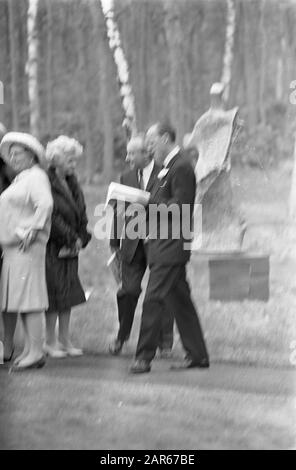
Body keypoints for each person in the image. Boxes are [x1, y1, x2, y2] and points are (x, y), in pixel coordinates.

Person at [130, 122, 209, 374]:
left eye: (152, 141)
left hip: (171, 247)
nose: (149, 146)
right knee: (180, 301)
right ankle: (198, 356)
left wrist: (147, 201)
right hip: (161, 245)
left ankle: (143, 358)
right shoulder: (166, 168)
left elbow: (181, 206)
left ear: (166, 138)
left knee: (153, 299)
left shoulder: (182, 166)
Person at [109, 134, 174, 356]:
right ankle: (122, 336)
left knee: (161, 293)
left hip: (159, 242)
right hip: (130, 243)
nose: (127, 158)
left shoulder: (166, 172)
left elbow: (174, 206)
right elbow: (117, 209)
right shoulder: (125, 176)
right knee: (128, 291)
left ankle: (164, 343)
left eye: (131, 153)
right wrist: (114, 242)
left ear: (145, 153)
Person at [0, 132, 53, 370]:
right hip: (13, 248)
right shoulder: (22, 178)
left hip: (26, 247)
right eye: (10, 153)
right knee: (22, 299)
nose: (12, 156)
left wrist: (32, 229)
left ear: (31, 155)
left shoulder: (36, 176)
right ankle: (31, 350)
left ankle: (36, 352)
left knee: (30, 299)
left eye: (17, 152)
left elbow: (45, 204)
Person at [44, 136, 91, 358]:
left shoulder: (72, 181)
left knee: (68, 294)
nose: (74, 164)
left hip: (71, 247)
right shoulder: (47, 181)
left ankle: (64, 339)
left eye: (75, 160)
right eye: (70, 160)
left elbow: (81, 212)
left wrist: (82, 236)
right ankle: (49, 341)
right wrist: (71, 238)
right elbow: (51, 216)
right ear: (56, 159)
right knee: (54, 294)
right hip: (53, 247)